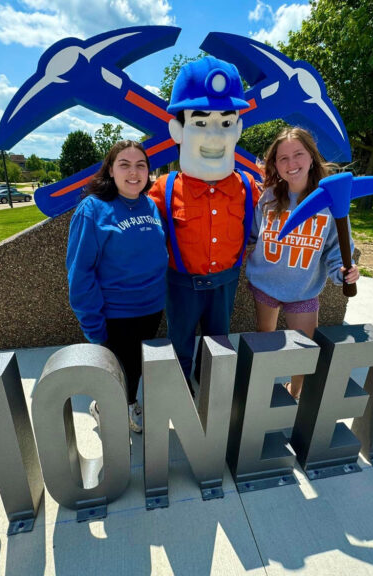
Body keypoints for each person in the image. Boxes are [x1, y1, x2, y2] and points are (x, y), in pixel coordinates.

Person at [148, 56, 259, 389]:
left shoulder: (248, 187)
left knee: (218, 349)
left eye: (226, 123)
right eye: (200, 122)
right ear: (177, 130)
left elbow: (288, 212)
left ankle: (210, 396)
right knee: (178, 348)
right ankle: (181, 397)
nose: (215, 135)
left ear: (238, 129)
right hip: (180, 287)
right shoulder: (162, 190)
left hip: (225, 286)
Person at [245, 127, 359, 399]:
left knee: (304, 349)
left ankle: (296, 394)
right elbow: (252, 234)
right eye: (282, 158)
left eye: (298, 154)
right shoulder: (269, 196)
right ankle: (264, 388)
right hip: (265, 283)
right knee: (265, 337)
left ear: (311, 157)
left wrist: (341, 272)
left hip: (304, 289)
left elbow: (336, 249)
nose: (291, 163)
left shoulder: (331, 201)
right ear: (275, 165)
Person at [66, 140, 167, 433]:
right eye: (124, 164)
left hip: (150, 308)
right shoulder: (93, 209)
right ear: (110, 170)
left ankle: (129, 401)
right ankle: (104, 407)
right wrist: (93, 325)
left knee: (134, 368)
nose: (133, 172)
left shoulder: (149, 204)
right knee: (117, 372)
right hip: (115, 314)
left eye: (140, 165)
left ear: (149, 171)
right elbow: (80, 272)